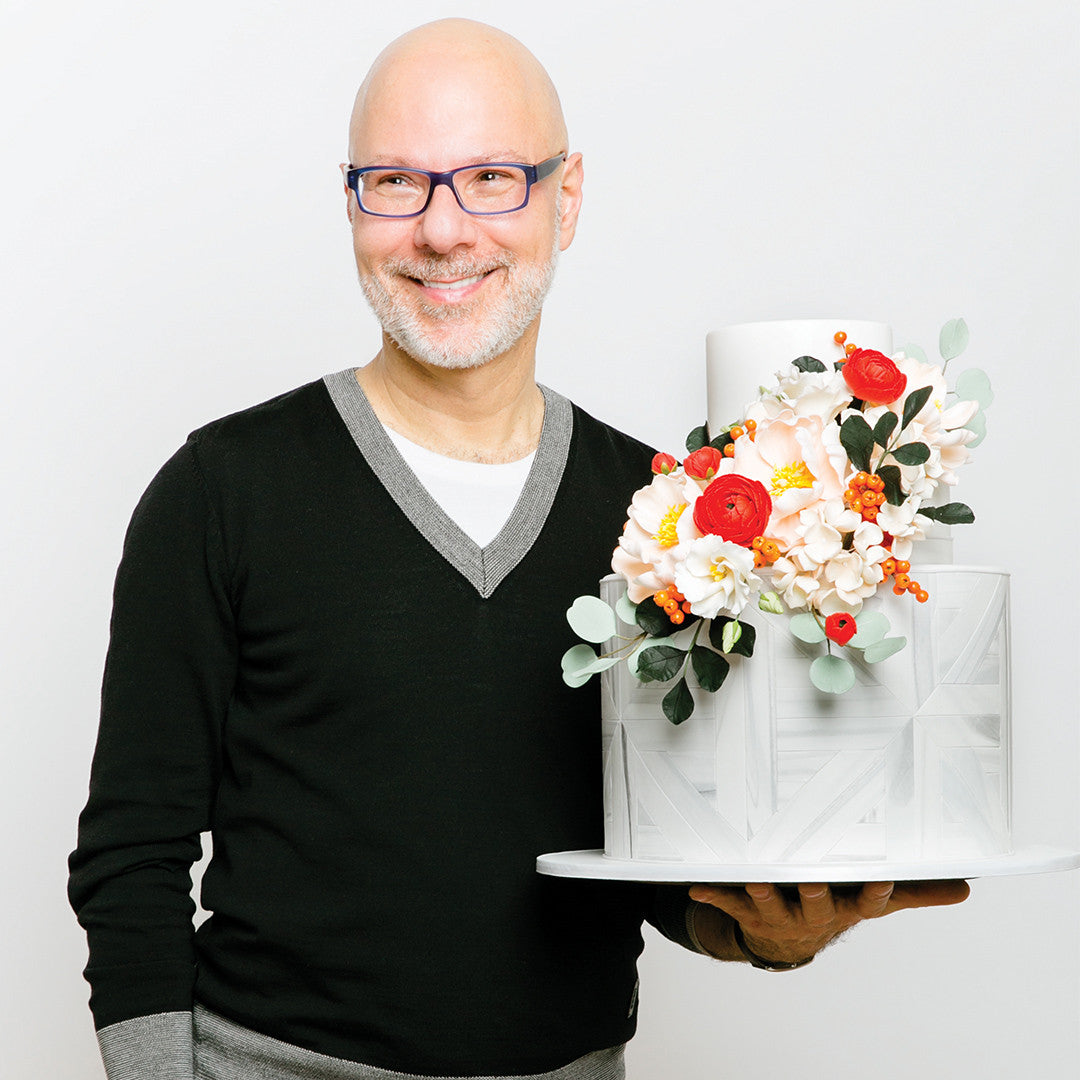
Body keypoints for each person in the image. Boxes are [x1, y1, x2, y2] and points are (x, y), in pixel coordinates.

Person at [68, 18, 969, 1080]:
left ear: (567, 198)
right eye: (395, 183)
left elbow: (661, 861)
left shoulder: (672, 520)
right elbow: (132, 854)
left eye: (492, 177)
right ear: (350, 202)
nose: (444, 232)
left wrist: (765, 934)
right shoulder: (219, 492)